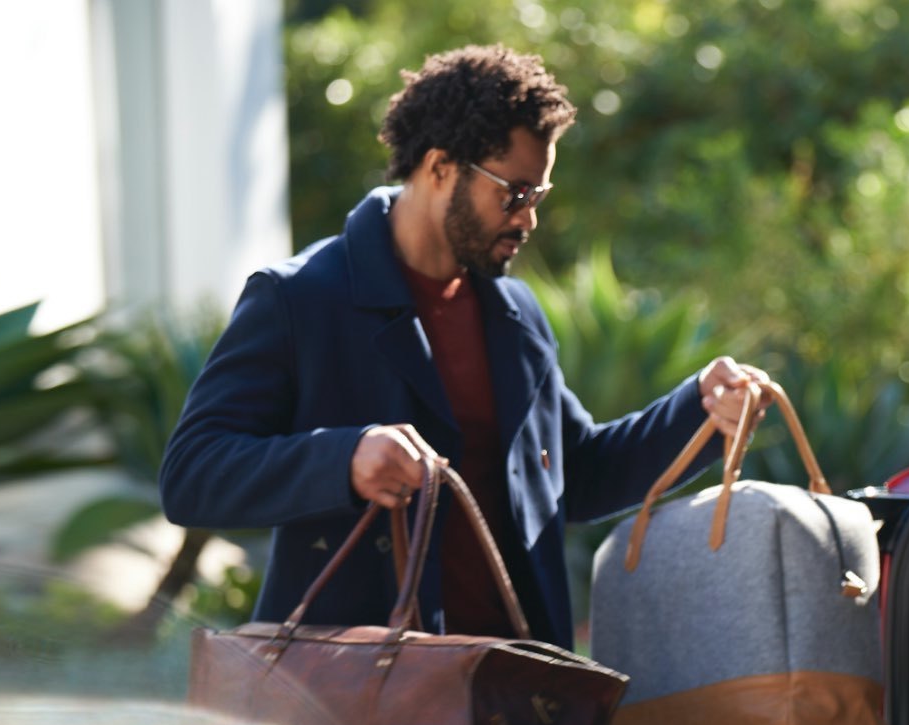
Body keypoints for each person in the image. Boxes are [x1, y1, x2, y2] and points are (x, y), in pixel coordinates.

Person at [159, 44, 769, 648]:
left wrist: (700, 410)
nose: (528, 220)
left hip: (517, 697)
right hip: (363, 704)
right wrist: (342, 459)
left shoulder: (515, 314)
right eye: (515, 193)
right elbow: (192, 474)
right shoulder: (300, 299)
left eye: (538, 197)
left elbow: (575, 476)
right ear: (439, 167)